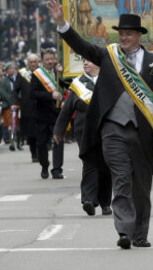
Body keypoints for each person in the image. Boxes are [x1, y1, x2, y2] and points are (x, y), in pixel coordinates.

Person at [48, 0, 153, 249]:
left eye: (128, 34)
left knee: (141, 187)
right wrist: (62, 23)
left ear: (138, 35)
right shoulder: (108, 56)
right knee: (121, 178)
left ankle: (140, 233)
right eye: (121, 34)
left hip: (144, 132)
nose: (123, 38)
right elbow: (81, 45)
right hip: (112, 129)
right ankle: (124, 230)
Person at [53, 58, 112, 216]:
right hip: (84, 132)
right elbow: (67, 109)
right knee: (89, 162)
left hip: (106, 131)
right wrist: (59, 130)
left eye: (90, 61)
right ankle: (88, 200)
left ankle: (106, 202)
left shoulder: (109, 80)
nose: (86, 63)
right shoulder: (78, 83)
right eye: (84, 61)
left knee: (105, 166)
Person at [31, 49, 64, 179]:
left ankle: (57, 169)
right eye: (47, 59)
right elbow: (33, 94)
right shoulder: (37, 74)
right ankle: (44, 165)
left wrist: (63, 75)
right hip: (42, 114)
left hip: (57, 114)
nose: (50, 62)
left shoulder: (59, 72)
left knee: (58, 141)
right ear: (42, 61)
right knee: (42, 143)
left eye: (52, 59)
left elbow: (69, 84)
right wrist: (50, 95)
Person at [12, 54, 40, 162]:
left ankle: (41, 152)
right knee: (31, 133)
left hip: (42, 106)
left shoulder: (43, 73)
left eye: (35, 62)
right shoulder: (22, 74)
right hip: (27, 108)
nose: (33, 64)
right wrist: (13, 102)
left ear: (38, 62)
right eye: (31, 62)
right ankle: (34, 154)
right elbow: (15, 90)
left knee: (41, 132)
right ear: (27, 63)